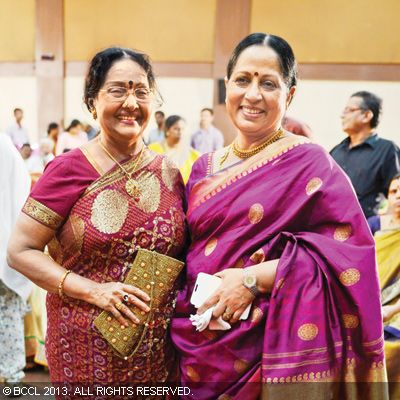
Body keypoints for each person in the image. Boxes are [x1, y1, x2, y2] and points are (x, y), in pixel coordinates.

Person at [171, 33, 387, 399]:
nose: (253, 94)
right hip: (197, 344)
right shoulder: (202, 169)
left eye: (268, 83)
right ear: (228, 87)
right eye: (243, 80)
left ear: (289, 94)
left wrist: (252, 280)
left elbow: (350, 258)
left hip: (268, 351)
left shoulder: (311, 162)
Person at [7, 46, 186, 388]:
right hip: (86, 349)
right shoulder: (67, 169)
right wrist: (94, 291)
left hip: (159, 352)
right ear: (92, 102)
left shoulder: (169, 172)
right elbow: (20, 251)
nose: (131, 102)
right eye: (118, 90)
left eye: (141, 91)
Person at [330, 91, 400, 219]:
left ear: (367, 115)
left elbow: (396, 194)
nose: (342, 115)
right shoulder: (336, 151)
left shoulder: (387, 150)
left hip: (368, 231)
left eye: (349, 110)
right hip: (332, 229)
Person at [0, 134, 32, 388]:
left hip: (7, 244)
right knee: (8, 312)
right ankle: (12, 374)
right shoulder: (7, 147)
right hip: (7, 244)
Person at [368, 173, 400, 398]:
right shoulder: (373, 225)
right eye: (394, 191)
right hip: (367, 299)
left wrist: (391, 309)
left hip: (396, 308)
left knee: (391, 347)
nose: (398, 196)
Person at [149, 115, 200, 183]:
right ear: (167, 130)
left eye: (183, 129)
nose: (180, 132)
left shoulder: (193, 154)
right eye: (176, 129)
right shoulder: (153, 149)